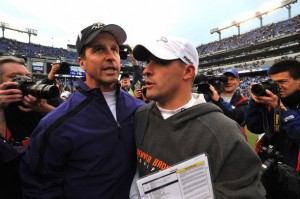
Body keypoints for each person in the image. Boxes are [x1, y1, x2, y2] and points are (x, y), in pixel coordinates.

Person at [20, 22, 145, 198]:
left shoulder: (141, 110)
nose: (111, 56)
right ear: (82, 63)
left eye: (114, 49)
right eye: (99, 50)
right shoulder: (57, 122)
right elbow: (39, 187)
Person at [131, 36, 266, 198]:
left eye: (160, 62)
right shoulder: (140, 116)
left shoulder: (223, 131)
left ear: (187, 72)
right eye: (148, 63)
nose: (146, 70)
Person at [0, 55, 58, 199]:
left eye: (28, 76)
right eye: (16, 77)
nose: (25, 81)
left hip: (45, 186)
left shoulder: (42, 101)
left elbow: (76, 123)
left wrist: (44, 109)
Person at [245, 59, 300, 198]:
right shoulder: (272, 100)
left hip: (292, 177)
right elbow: (254, 127)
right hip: (267, 168)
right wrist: (255, 103)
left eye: (282, 82)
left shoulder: (278, 103)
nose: (277, 86)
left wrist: (281, 109)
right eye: (274, 82)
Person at [208, 68, 249, 140]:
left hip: (235, 140)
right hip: (213, 139)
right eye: (225, 79)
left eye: (232, 79)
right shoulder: (209, 97)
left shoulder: (243, 101)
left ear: (238, 81)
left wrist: (219, 101)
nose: (228, 82)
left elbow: (237, 117)